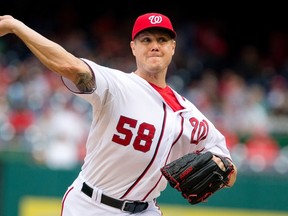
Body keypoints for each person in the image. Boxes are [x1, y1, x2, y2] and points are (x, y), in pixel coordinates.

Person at [0, 12, 237, 215]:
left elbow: (229, 168)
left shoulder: (190, 115)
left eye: (163, 39)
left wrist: (222, 165)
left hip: (145, 209)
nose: (155, 45)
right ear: (133, 47)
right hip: (89, 205)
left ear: (172, 48)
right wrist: (15, 26)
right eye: (146, 39)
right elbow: (69, 66)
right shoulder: (115, 85)